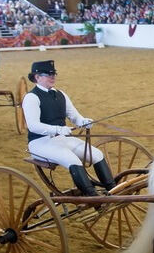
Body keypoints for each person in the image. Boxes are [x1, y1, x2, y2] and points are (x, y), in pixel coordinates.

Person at [22, 60, 115, 197]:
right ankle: (93, 197)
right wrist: (57, 129)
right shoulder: (31, 97)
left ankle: (113, 190)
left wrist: (83, 121)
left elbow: (75, 117)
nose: (53, 77)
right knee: (73, 161)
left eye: (53, 74)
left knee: (97, 155)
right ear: (37, 77)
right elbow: (33, 126)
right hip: (40, 142)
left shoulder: (61, 95)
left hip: (62, 139)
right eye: (48, 74)